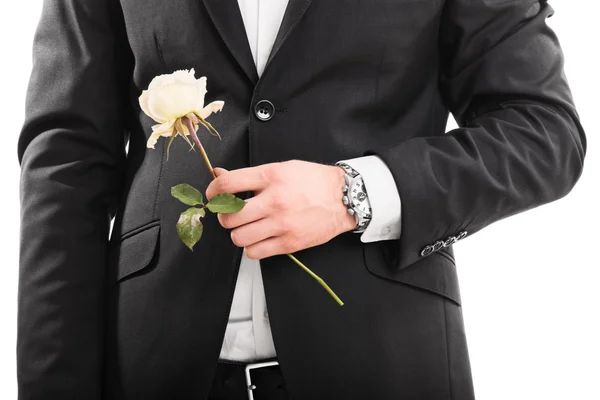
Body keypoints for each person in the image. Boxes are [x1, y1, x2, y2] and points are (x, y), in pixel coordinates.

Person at [17, 0, 586, 399]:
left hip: (383, 365)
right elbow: (66, 158)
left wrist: (354, 193)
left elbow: (544, 131)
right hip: (151, 367)